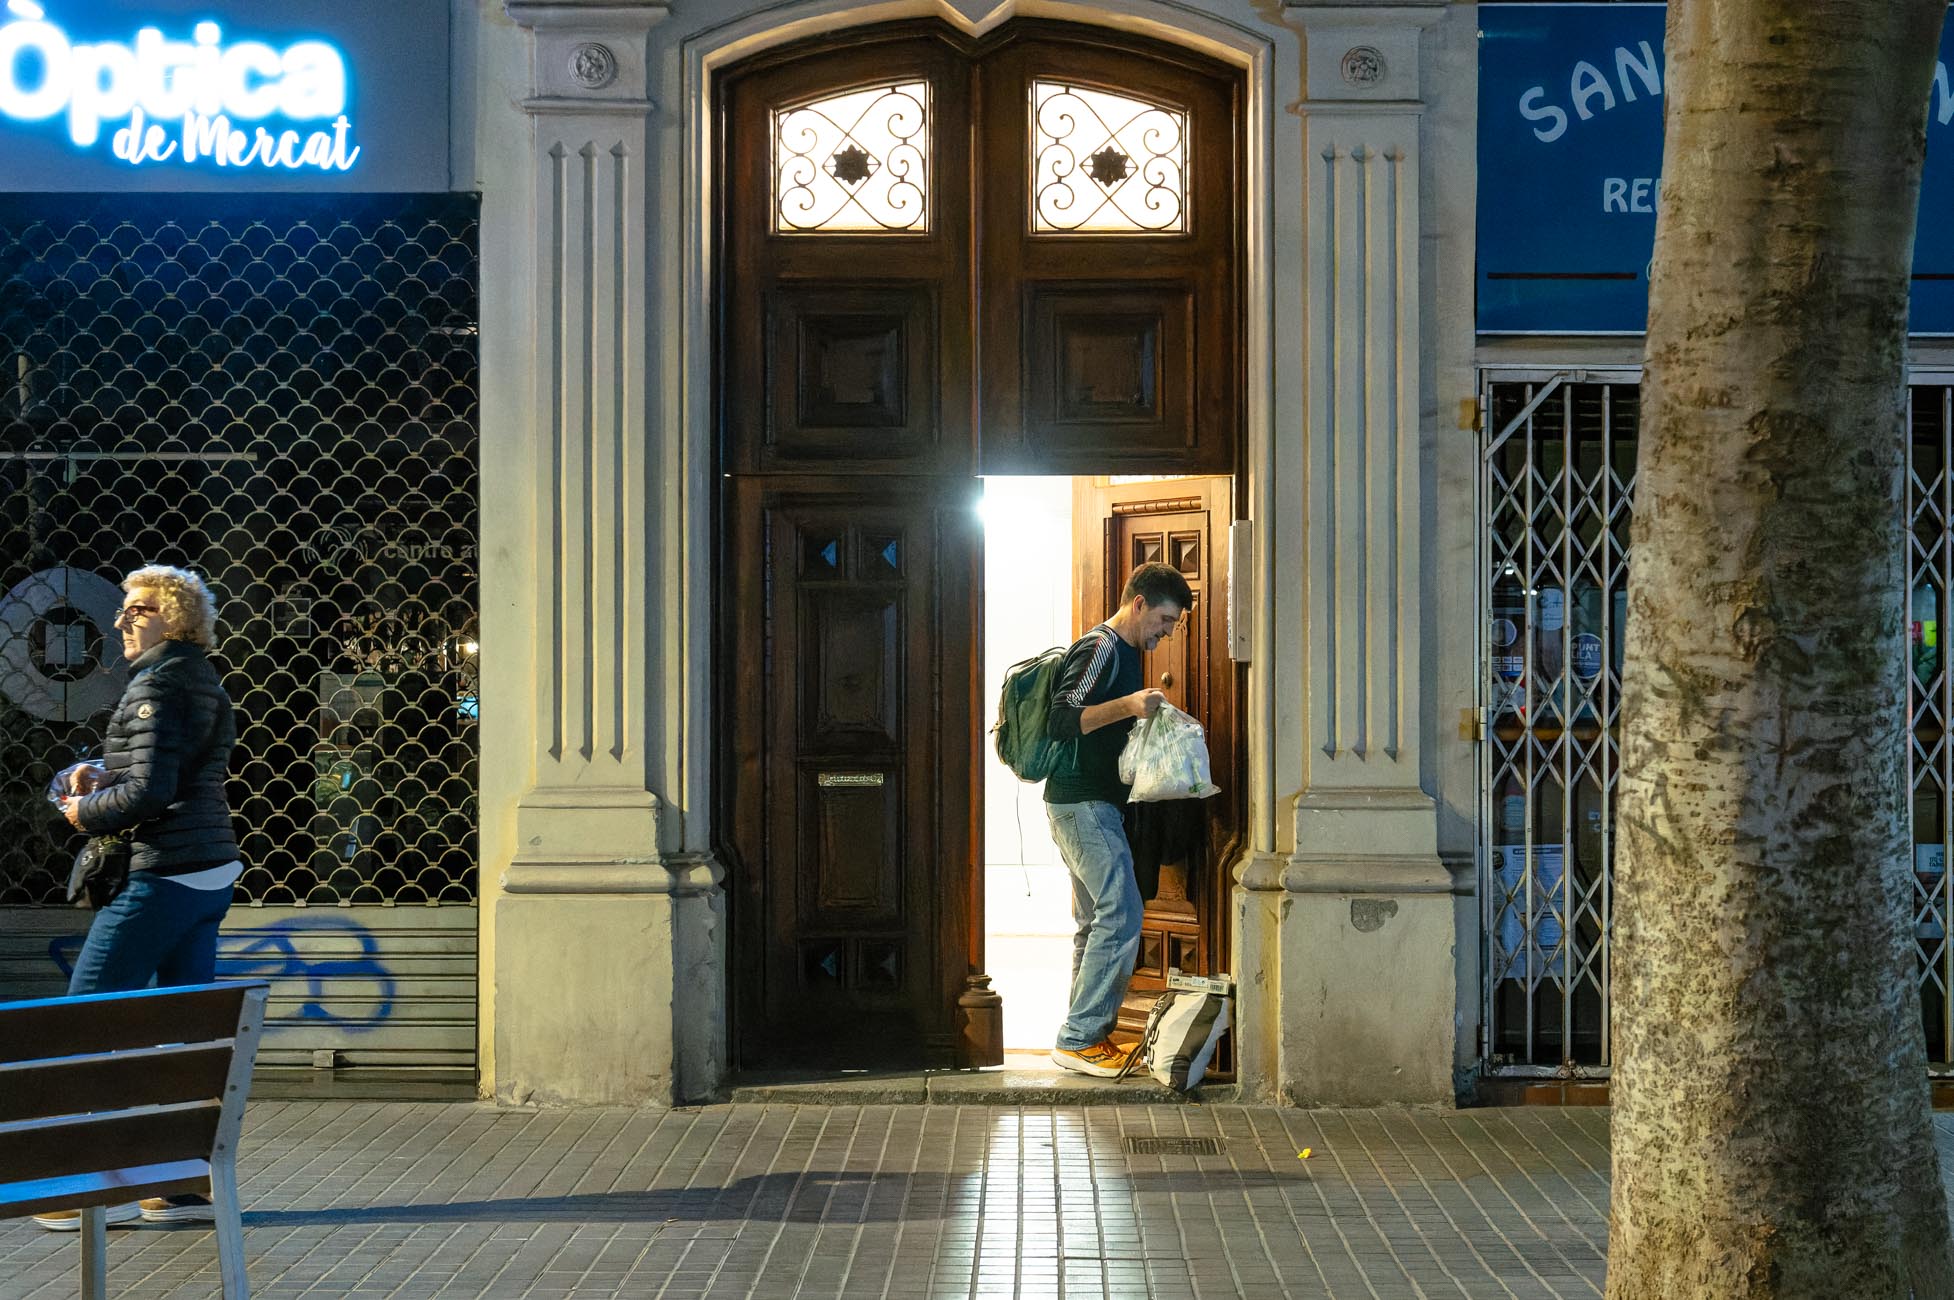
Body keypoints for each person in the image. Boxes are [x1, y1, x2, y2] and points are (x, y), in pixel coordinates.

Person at [34, 565, 241, 1232]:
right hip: (206, 871)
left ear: (175, 618)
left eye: (139, 608)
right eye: (126, 609)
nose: (122, 619)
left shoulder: (160, 681)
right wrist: (101, 770)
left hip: (163, 875)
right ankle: (174, 1186)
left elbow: (152, 791)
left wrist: (83, 811)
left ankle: (80, 1185)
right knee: (175, 1034)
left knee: (85, 1025)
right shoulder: (194, 675)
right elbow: (165, 769)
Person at [1044, 561, 1191, 1076]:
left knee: (1094, 922)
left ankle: (1079, 1037)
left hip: (1091, 804)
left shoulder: (1124, 652)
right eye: (1165, 620)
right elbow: (1060, 719)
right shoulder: (1102, 646)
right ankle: (1081, 1036)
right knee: (1123, 912)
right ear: (1139, 604)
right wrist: (1129, 705)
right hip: (1080, 803)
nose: (1167, 632)